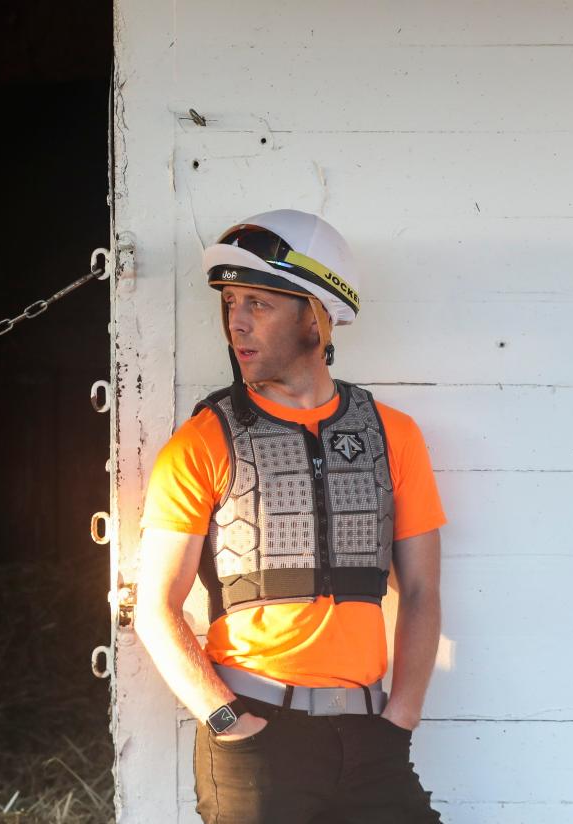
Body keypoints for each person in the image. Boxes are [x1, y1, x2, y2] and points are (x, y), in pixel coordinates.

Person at [134, 209, 444, 823]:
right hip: (255, 739)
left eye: (259, 303)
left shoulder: (394, 435)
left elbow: (422, 589)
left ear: (316, 313)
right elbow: (155, 607)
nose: (236, 323)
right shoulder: (201, 443)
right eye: (229, 303)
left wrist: (399, 720)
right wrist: (228, 721)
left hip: (371, 737)